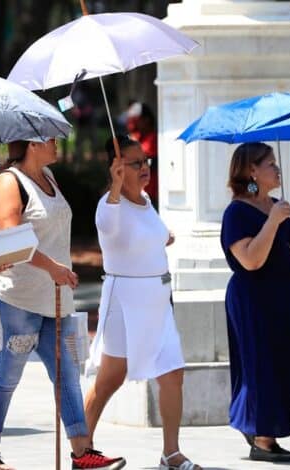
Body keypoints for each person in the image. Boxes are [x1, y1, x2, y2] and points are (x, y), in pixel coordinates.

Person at [0, 139, 125, 470]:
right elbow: (12, 239)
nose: (57, 143)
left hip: (56, 297)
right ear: (33, 143)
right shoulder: (9, 182)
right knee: (5, 378)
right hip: (18, 298)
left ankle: (82, 452)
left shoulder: (48, 176)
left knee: (67, 376)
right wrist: (54, 268)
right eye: (50, 138)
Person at [84, 135, 201, 470]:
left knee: (173, 372)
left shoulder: (147, 201)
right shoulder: (109, 204)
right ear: (117, 167)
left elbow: (153, 234)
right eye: (135, 163)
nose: (144, 167)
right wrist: (117, 186)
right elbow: (107, 228)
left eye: (146, 160)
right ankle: (82, 447)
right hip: (125, 303)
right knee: (110, 378)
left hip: (158, 302)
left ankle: (171, 452)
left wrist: (164, 237)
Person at [220, 142, 290, 463]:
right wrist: (272, 221)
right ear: (252, 171)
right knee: (263, 368)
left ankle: (259, 426)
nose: (277, 168)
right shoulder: (237, 213)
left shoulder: (277, 205)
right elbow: (251, 260)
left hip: (289, 301)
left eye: (275, 162)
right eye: (270, 164)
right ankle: (262, 437)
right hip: (254, 302)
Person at [125, 102, 158, 207]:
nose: (133, 125)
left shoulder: (154, 139)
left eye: (137, 121)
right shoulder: (137, 137)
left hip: (151, 195)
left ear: (146, 120)